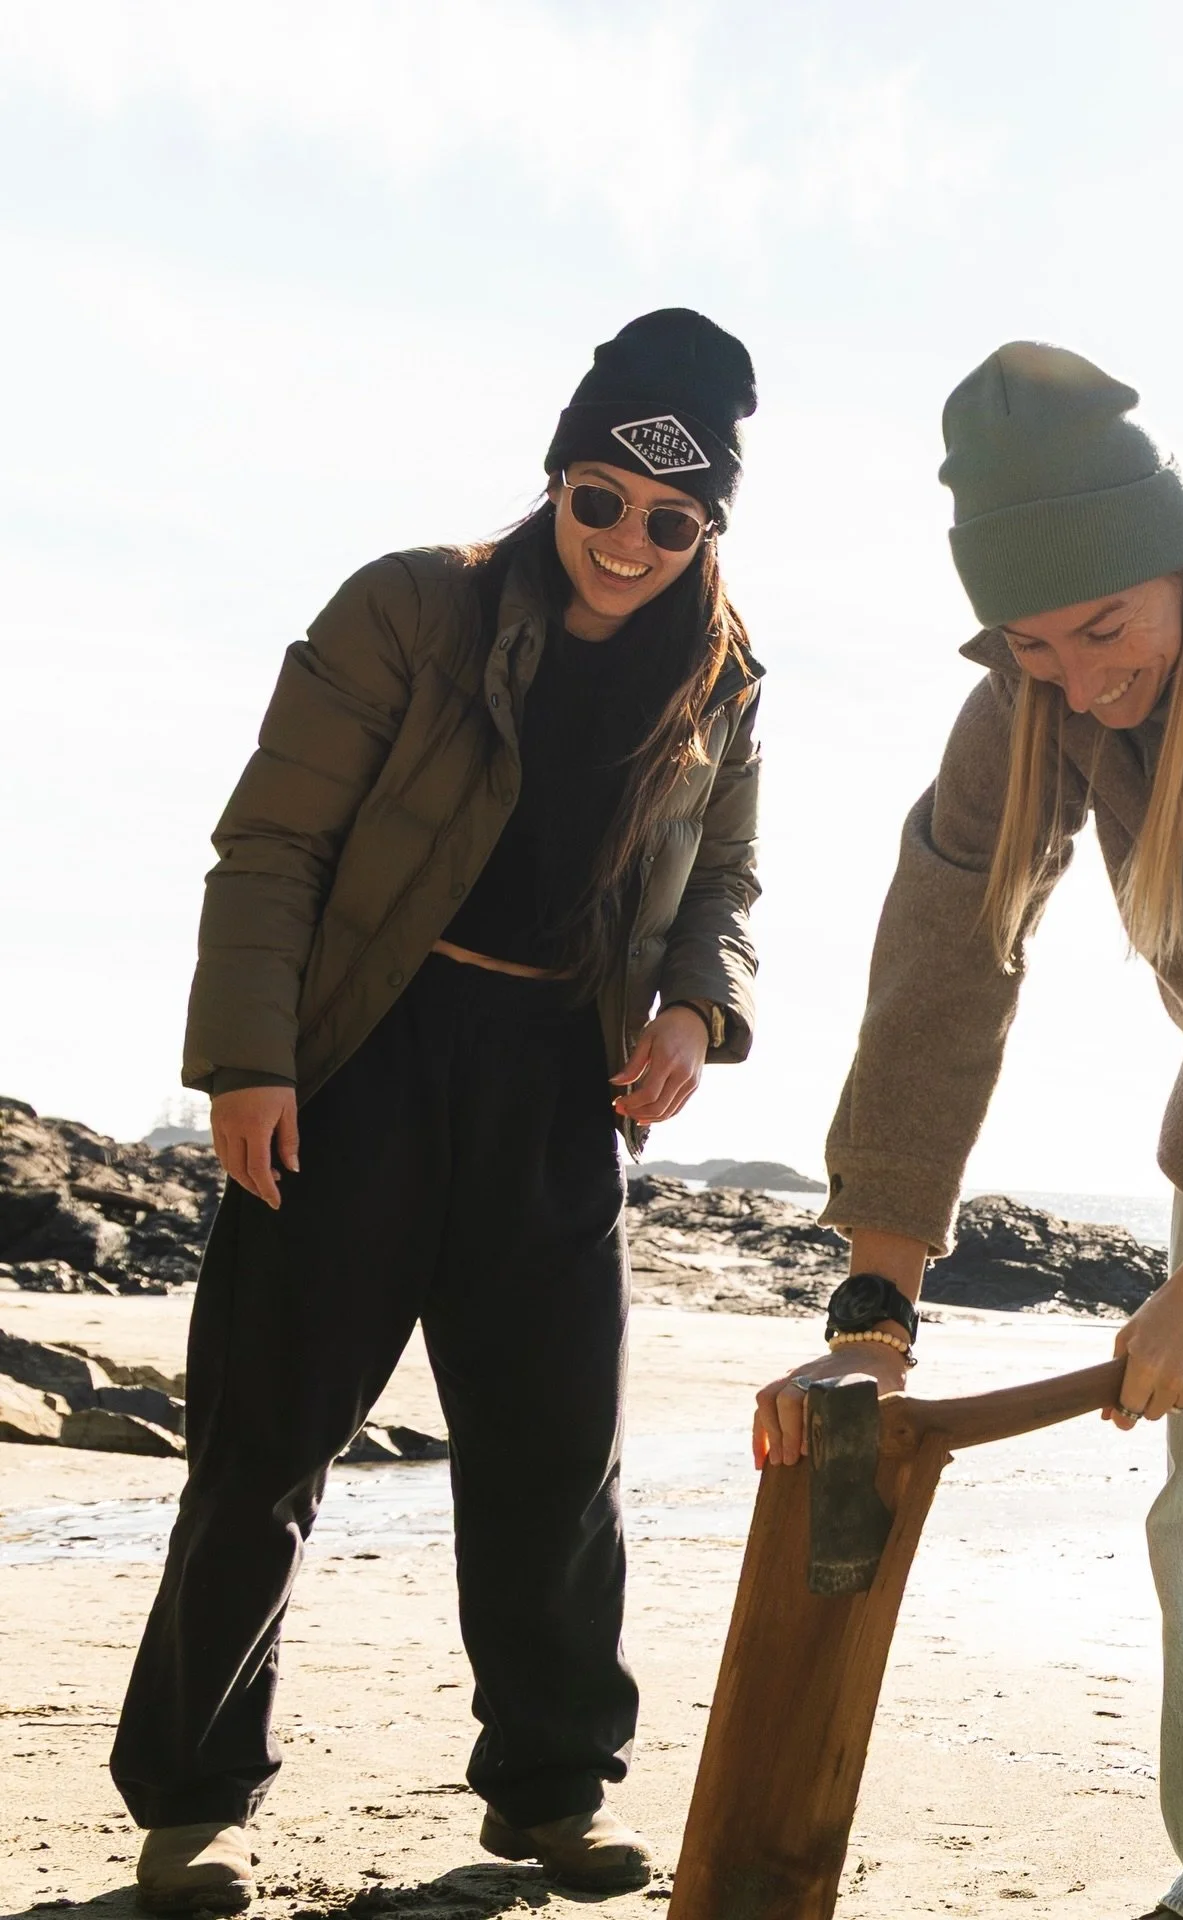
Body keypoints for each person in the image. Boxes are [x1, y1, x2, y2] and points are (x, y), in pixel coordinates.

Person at [755, 342, 1183, 1920]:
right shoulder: (1037, 695)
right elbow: (946, 966)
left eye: (1102, 629)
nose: (1071, 677)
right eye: (1030, 642)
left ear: (1180, 563)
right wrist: (873, 1315)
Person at [111, 307, 764, 1913]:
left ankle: (552, 1793)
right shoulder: (411, 606)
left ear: (708, 533)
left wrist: (697, 1009)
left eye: (671, 521)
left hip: (559, 1085)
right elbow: (272, 842)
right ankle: (194, 1807)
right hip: (365, 1056)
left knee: (557, 1460)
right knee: (263, 1443)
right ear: (556, 479)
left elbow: (725, 891)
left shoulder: (725, 681)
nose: (627, 542)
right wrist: (250, 1062)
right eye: (601, 499)